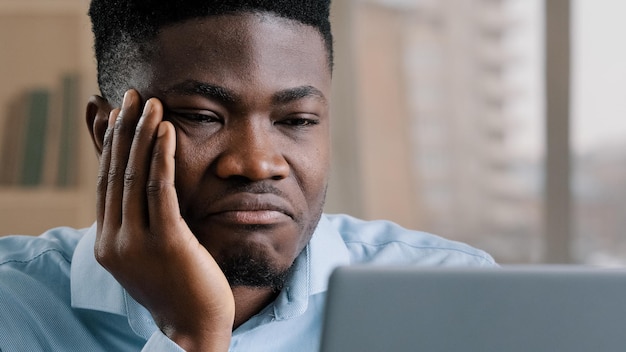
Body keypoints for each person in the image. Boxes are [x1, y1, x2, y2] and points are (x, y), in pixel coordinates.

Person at [0, 0, 496, 351]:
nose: (258, 163)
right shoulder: (14, 308)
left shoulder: (459, 297)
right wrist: (192, 337)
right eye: (202, 116)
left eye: (297, 121)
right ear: (109, 132)